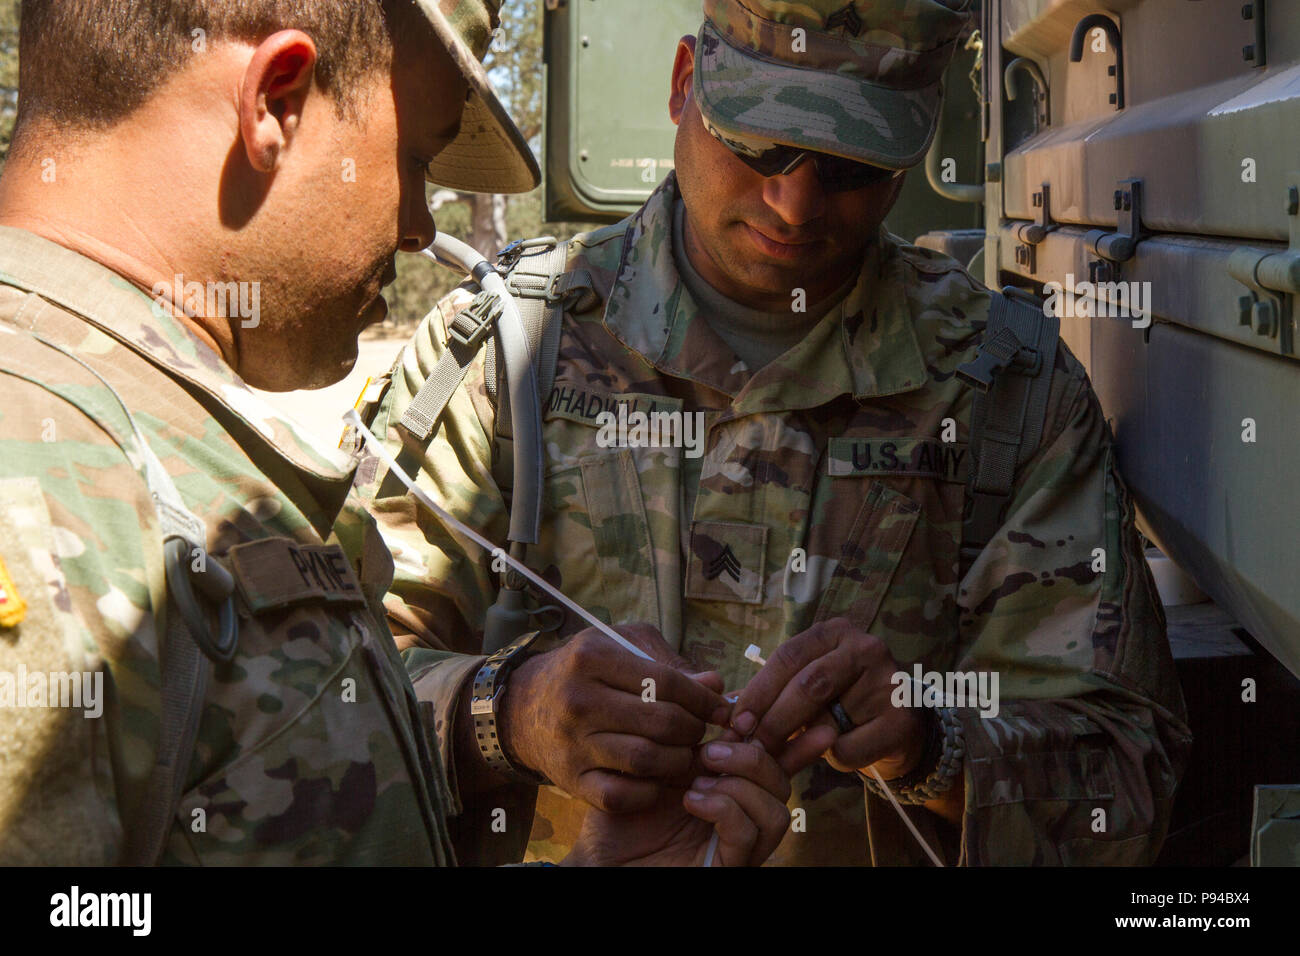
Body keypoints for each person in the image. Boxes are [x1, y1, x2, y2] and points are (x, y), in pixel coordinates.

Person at [355, 0, 1193, 866]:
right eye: (758, 145)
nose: (794, 204)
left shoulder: (1008, 390)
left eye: (851, 165)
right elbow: (311, 706)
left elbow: (1125, 783)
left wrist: (927, 745)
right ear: (686, 87)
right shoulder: (505, 355)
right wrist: (512, 712)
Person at [0, 0, 791, 867]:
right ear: (276, 100)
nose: (419, 225)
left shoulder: (144, 447)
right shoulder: (36, 480)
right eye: (415, 158)